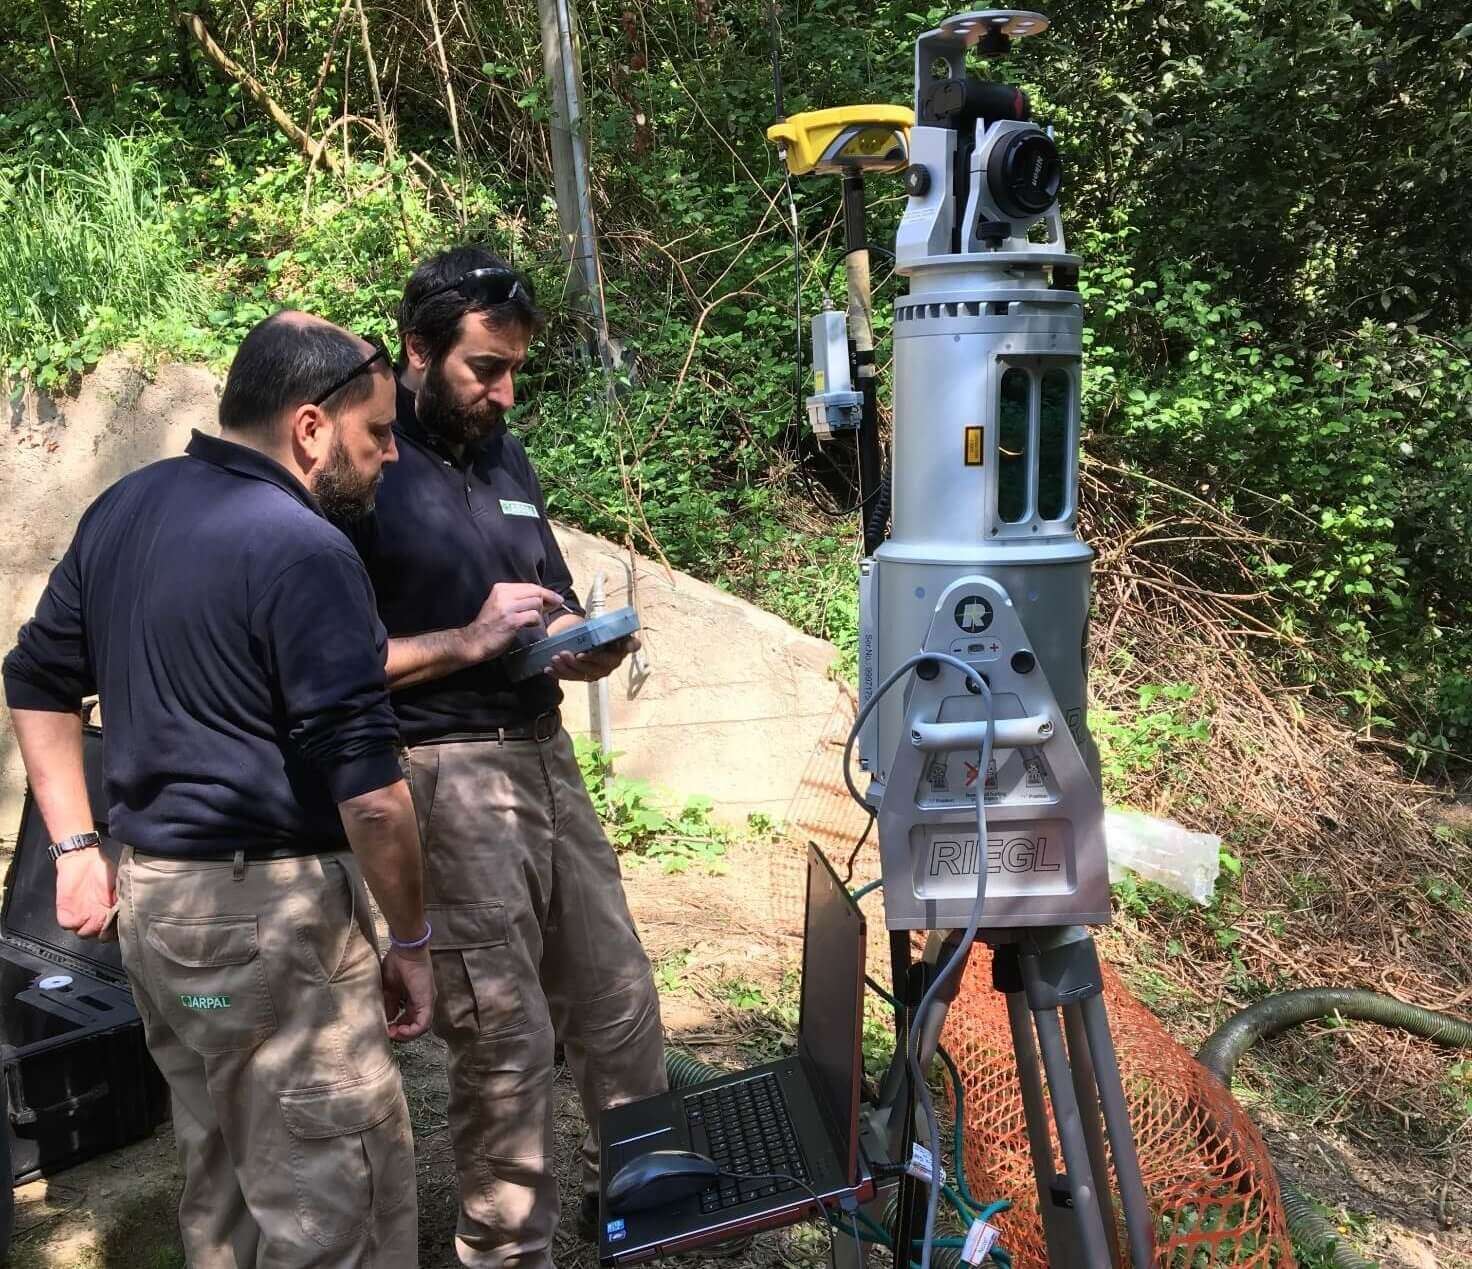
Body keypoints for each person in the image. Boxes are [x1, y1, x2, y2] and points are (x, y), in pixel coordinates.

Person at [2, 312, 435, 1268]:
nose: (393, 455)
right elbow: (372, 797)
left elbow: (32, 676)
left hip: (161, 920)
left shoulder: (127, 507)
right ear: (311, 427)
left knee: (227, 1169)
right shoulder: (307, 551)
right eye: (378, 433)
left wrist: (79, 848)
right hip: (270, 932)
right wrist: (411, 940)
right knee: (335, 1204)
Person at [342, 246, 667, 1268]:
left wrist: (582, 642)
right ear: (417, 350)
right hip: (443, 776)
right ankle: (506, 1248)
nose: (503, 391)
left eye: (515, 368)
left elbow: (545, 597)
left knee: (618, 1000)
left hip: (544, 756)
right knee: (504, 1043)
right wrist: (468, 642)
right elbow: (324, 664)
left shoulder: (504, 456)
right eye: (485, 367)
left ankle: (648, 1205)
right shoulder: (358, 467)